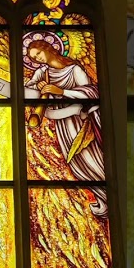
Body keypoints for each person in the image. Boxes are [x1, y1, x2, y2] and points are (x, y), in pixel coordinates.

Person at [24, 39, 107, 217]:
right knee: (77, 163)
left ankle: (107, 196)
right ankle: (101, 197)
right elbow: (26, 89)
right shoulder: (42, 72)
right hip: (63, 125)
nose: (38, 59)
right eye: (34, 57)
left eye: (38, 53)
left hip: (82, 122)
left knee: (92, 158)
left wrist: (60, 92)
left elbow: (90, 92)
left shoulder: (74, 69)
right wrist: (38, 88)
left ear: (47, 48)